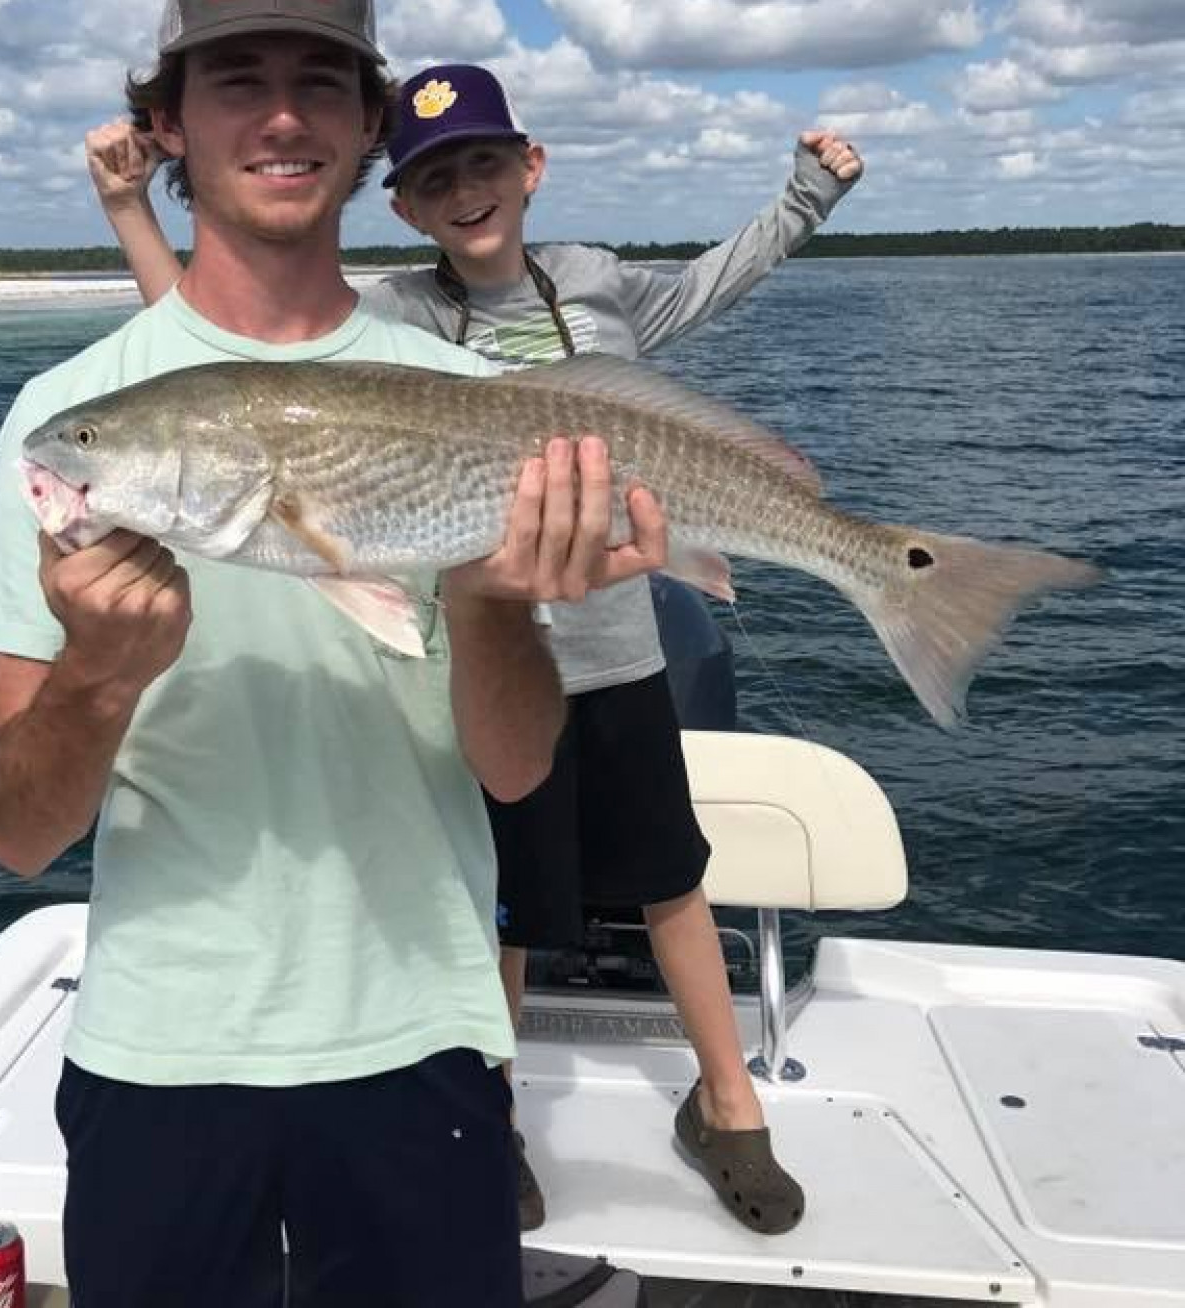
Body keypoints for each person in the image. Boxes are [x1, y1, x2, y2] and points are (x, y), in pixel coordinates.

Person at [0, 0, 666, 1308]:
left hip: (424, 1031)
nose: (280, 115)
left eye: (320, 80)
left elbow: (519, 770)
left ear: (362, 127)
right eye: (236, 78)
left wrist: (489, 606)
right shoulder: (61, 423)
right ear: (164, 123)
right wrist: (101, 680)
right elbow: (16, 835)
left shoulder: (472, 403)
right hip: (162, 1049)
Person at [85, 62, 862, 1239]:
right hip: (491, 668)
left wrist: (806, 196)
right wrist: (134, 213)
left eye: (486, 163)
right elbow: (218, 366)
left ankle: (730, 1099)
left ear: (531, 166)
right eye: (437, 174)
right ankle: (490, 1117)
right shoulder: (395, 318)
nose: (467, 188)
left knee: (671, 881)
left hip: (622, 649)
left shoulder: (600, 284)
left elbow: (718, 280)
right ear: (403, 203)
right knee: (503, 907)